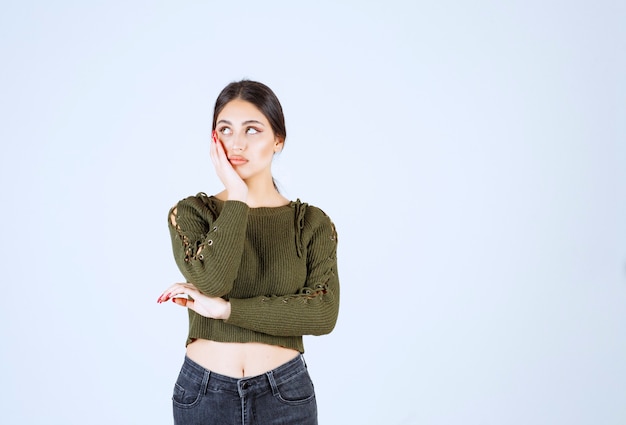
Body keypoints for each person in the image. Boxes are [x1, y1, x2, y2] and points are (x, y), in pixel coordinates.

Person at [157, 80, 340, 425]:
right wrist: (237, 196)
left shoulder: (311, 223)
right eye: (224, 129)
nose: (236, 143)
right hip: (204, 393)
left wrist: (227, 310)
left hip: (285, 394)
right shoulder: (192, 214)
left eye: (252, 129)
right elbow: (213, 280)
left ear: (278, 140)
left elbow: (322, 313)